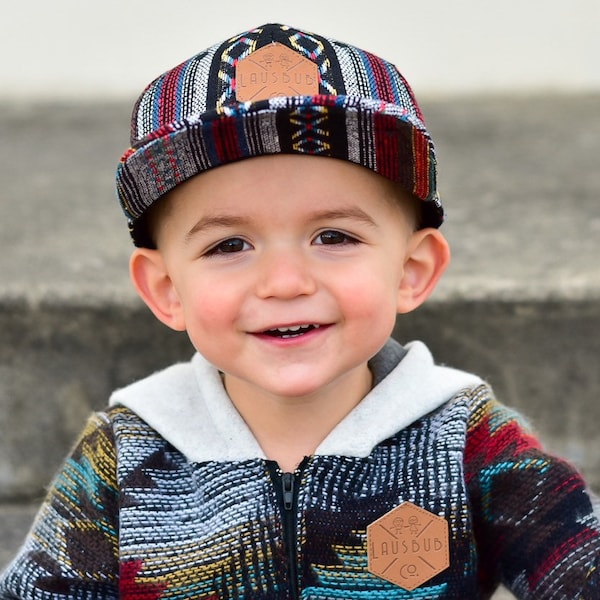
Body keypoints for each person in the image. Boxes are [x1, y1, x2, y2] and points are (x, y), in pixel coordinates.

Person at [1, 23, 598, 600]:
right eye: (228, 245)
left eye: (334, 236)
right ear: (166, 289)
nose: (285, 283)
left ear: (411, 271)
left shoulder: (468, 440)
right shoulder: (126, 453)